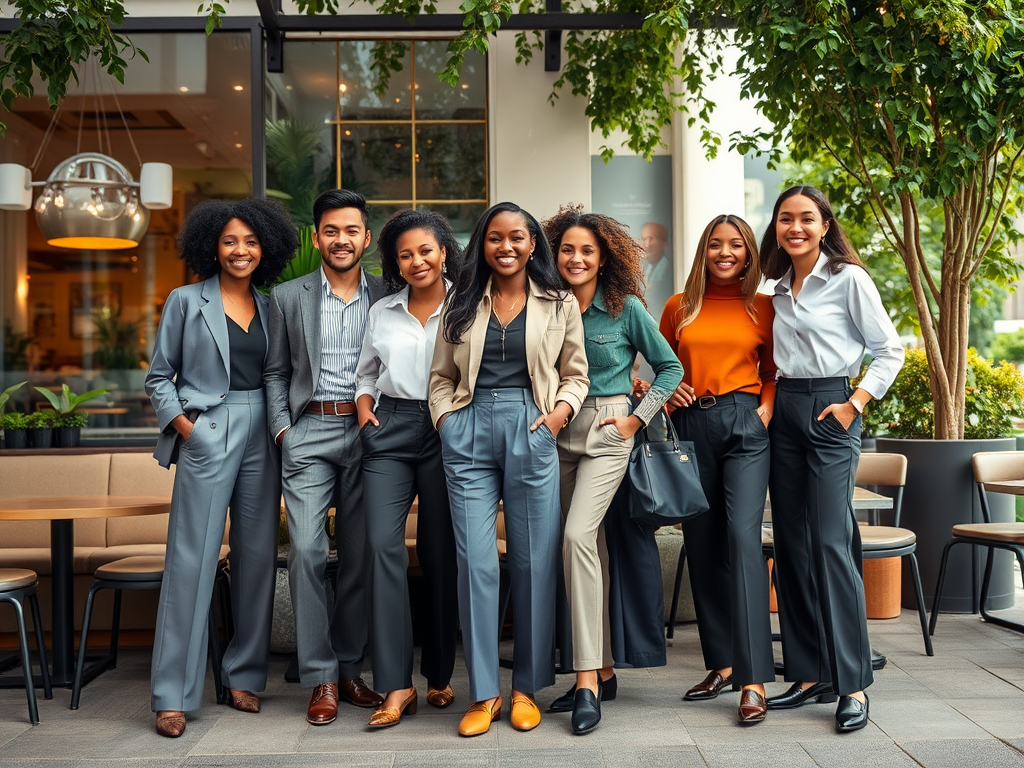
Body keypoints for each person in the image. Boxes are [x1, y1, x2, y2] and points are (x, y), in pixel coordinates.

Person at [428, 201, 589, 737]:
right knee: (476, 562)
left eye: (517, 237)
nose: (507, 247)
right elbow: (440, 376)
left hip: (532, 424)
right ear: (483, 244)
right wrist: (448, 420)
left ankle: (525, 689)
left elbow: (575, 372)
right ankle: (484, 694)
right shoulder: (462, 299)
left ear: (532, 244)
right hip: (469, 426)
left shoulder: (559, 301)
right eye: (495, 238)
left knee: (533, 561)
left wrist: (558, 414)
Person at [146, 198, 298, 738]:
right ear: (213, 245)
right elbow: (159, 378)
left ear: (266, 249)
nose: (241, 250)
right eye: (231, 240)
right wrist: (187, 429)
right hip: (209, 428)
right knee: (192, 559)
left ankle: (244, 677)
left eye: (252, 241)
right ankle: (173, 694)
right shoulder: (186, 301)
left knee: (257, 559)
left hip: (263, 430)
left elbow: (279, 373)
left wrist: (283, 431)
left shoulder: (273, 305)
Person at [760, 186, 903, 733]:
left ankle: (852, 683)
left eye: (806, 219)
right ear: (775, 227)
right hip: (787, 408)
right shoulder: (773, 287)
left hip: (830, 407)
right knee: (792, 543)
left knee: (829, 541)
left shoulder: (848, 278)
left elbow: (890, 348)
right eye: (785, 219)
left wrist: (855, 403)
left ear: (824, 225)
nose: (794, 227)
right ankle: (807, 673)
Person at [542, 206, 681, 734]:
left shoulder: (625, 310)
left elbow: (670, 368)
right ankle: (600, 668)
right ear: (553, 254)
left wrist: (634, 421)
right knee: (586, 548)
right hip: (555, 433)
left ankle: (583, 686)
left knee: (577, 538)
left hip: (606, 430)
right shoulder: (545, 306)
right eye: (567, 250)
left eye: (587, 251)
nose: (576, 259)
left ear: (604, 259)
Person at [265, 188, 387, 726]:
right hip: (308, 430)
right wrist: (282, 432)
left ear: (366, 237)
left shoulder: (389, 295)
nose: (341, 240)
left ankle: (350, 669)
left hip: (369, 432)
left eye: (351, 230)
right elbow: (274, 372)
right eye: (330, 231)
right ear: (317, 238)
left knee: (360, 555)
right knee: (308, 551)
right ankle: (319, 678)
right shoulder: (287, 297)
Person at [659, 214, 776, 724]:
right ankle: (722, 664)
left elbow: (774, 369)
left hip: (745, 424)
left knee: (743, 540)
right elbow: (660, 367)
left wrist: (765, 408)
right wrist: (665, 392)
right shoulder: (678, 307)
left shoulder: (764, 307)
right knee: (701, 541)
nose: (725, 253)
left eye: (735, 245)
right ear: (703, 251)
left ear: (750, 253)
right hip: (691, 425)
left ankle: (753, 679)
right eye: (715, 244)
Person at [354, 210, 462, 728]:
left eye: (425, 250)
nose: (416, 261)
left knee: (441, 554)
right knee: (381, 547)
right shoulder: (383, 310)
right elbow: (366, 371)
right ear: (394, 262)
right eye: (404, 254)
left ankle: (439, 674)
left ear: (444, 251)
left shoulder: (469, 306)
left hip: (448, 430)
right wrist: (363, 406)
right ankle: (396, 685)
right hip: (391, 428)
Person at [640, 222, 672, 317]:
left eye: (650, 239)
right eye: (644, 239)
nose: (647, 244)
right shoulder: (645, 268)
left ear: (664, 243)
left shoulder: (670, 272)